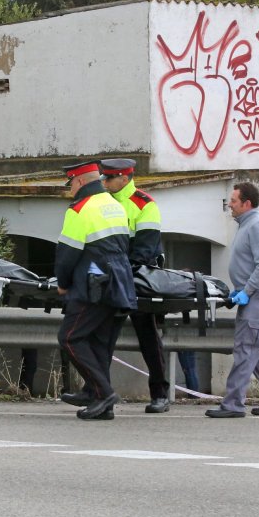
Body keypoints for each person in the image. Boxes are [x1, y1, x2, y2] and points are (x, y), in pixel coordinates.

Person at [55, 160, 137, 420]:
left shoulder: (79, 209)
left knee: (69, 337)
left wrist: (63, 283)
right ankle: (100, 401)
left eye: (71, 183)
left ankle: (103, 392)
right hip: (120, 284)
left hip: (93, 285)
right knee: (100, 343)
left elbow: (67, 253)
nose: (70, 189)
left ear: (79, 182)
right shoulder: (116, 205)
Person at [206, 182, 259, 418]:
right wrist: (238, 290)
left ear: (246, 203)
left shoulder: (258, 226)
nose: (229, 205)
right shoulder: (247, 225)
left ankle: (233, 404)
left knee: (245, 349)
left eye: (233, 201)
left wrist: (247, 291)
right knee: (254, 349)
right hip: (253, 294)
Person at [97, 157, 171, 413]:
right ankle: (98, 392)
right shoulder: (103, 203)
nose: (104, 182)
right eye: (104, 178)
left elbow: (146, 249)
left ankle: (160, 394)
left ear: (124, 178)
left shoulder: (144, 204)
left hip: (138, 279)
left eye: (109, 178)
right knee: (104, 338)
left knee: (148, 338)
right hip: (113, 278)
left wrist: (120, 270)